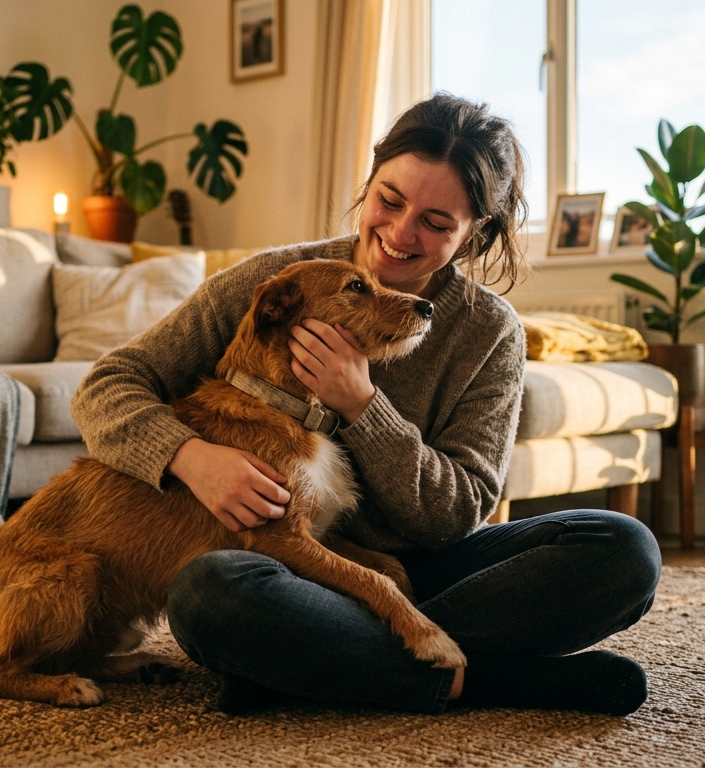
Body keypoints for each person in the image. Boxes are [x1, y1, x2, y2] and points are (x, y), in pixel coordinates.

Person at [70, 93, 660, 717]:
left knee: (622, 549)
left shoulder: (488, 333)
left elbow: (454, 515)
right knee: (208, 592)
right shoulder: (279, 280)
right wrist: (190, 457)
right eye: (390, 200)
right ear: (370, 181)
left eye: (436, 223)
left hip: (424, 573)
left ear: (474, 233)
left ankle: (322, 667)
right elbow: (106, 385)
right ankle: (488, 681)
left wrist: (363, 406)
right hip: (289, 570)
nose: (400, 234)